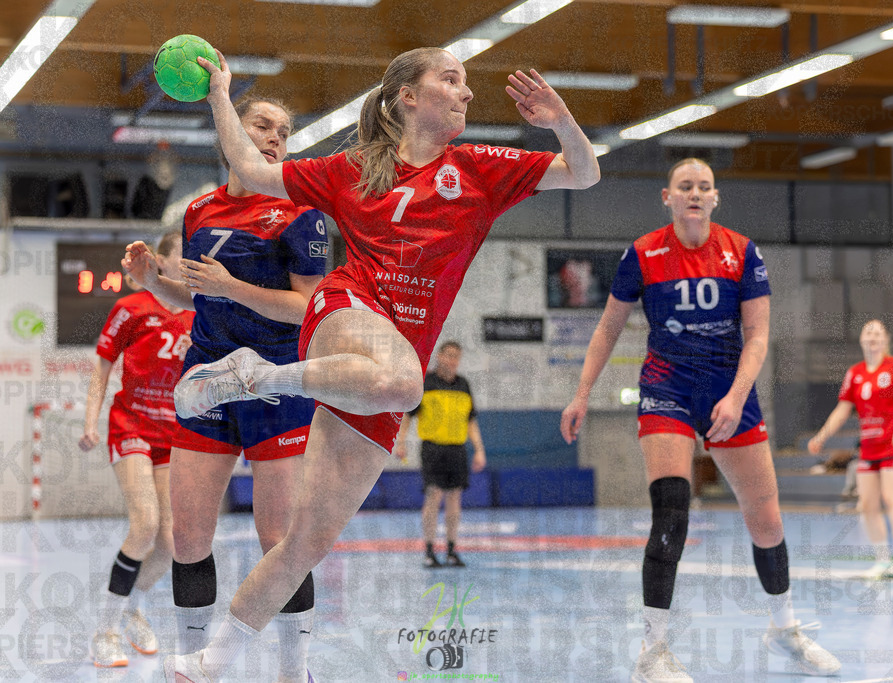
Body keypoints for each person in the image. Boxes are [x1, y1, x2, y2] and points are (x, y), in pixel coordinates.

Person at [163, 46, 599, 681]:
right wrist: (220, 96)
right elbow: (252, 171)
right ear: (408, 97)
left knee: (302, 546)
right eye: (451, 79)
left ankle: (213, 658)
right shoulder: (354, 169)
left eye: (467, 82)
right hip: (347, 310)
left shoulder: (479, 168)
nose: (467, 92)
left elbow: (583, 173)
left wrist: (561, 120)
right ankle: (256, 375)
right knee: (406, 382)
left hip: (385, 365)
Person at [560, 158, 841, 682]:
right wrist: (581, 395)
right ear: (667, 197)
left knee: (766, 519)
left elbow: (756, 336)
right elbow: (606, 330)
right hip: (666, 386)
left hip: (727, 388)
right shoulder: (642, 254)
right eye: (685, 186)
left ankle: (784, 628)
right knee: (672, 511)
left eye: (704, 187)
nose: (695, 194)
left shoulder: (742, 251)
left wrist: (736, 396)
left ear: (715, 198)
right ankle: (654, 651)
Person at [122, 96, 328, 683]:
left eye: (284, 131)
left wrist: (234, 288)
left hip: (277, 386)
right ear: (231, 131)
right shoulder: (199, 212)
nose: (274, 139)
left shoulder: (301, 214)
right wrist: (154, 283)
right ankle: (192, 659)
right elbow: (201, 298)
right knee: (187, 535)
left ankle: (296, 671)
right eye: (262, 125)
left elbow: (308, 309)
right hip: (208, 383)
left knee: (280, 542)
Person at [81, 234, 194, 668]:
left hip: (172, 432)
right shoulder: (132, 308)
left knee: (170, 540)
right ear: (162, 261)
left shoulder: (198, 314)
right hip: (131, 424)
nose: (190, 263)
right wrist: (90, 422)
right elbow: (101, 370)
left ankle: (133, 609)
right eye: (183, 255)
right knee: (145, 523)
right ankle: (104, 631)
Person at [809, 320, 893, 579]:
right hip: (869, 449)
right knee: (867, 503)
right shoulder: (855, 373)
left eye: (878, 333)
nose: (873, 336)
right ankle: (881, 560)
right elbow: (842, 410)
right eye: (868, 332)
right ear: (861, 339)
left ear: (885, 340)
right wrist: (822, 435)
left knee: (892, 498)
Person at [393, 340, 486, 568]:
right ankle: (429, 549)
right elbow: (408, 415)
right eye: (449, 355)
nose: (453, 360)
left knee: (455, 498)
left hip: (457, 448)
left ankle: (452, 550)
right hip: (433, 448)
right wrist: (400, 441)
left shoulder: (464, 385)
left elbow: (471, 421)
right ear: (439, 356)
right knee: (434, 495)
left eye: (457, 356)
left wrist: (479, 451)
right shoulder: (426, 383)